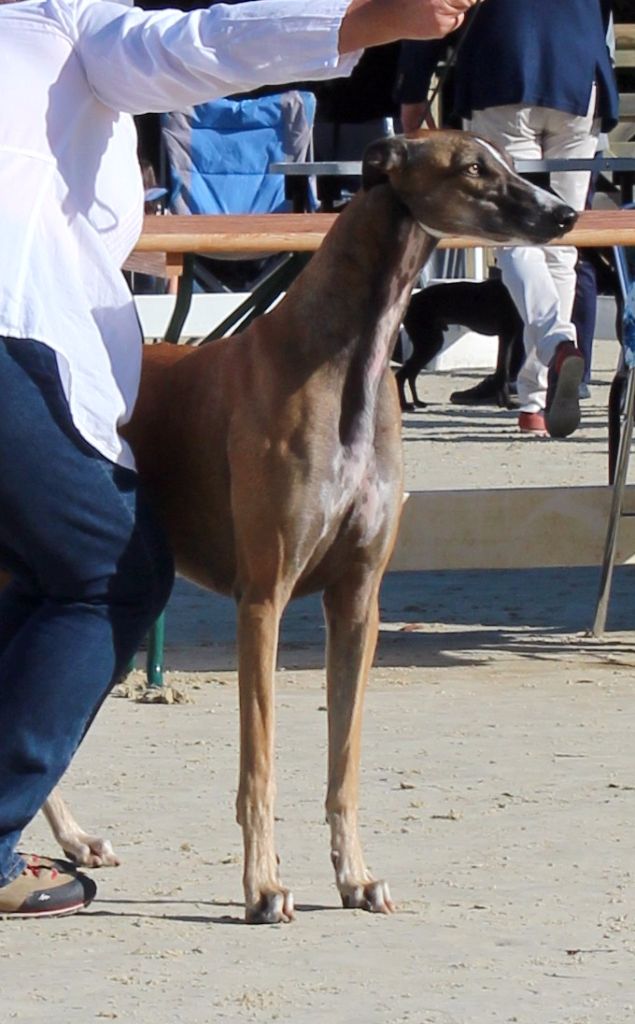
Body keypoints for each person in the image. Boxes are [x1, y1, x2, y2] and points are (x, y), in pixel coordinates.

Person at [0, 0, 480, 919]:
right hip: (15, 337)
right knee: (109, 572)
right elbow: (196, 44)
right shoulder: (56, 19)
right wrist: (365, 20)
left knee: (49, 573)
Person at [397, 0, 619, 438]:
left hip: (502, 67)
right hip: (579, 72)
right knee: (561, 243)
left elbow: (427, 10)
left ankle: (555, 348)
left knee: (514, 236)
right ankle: (536, 398)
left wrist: (412, 95)